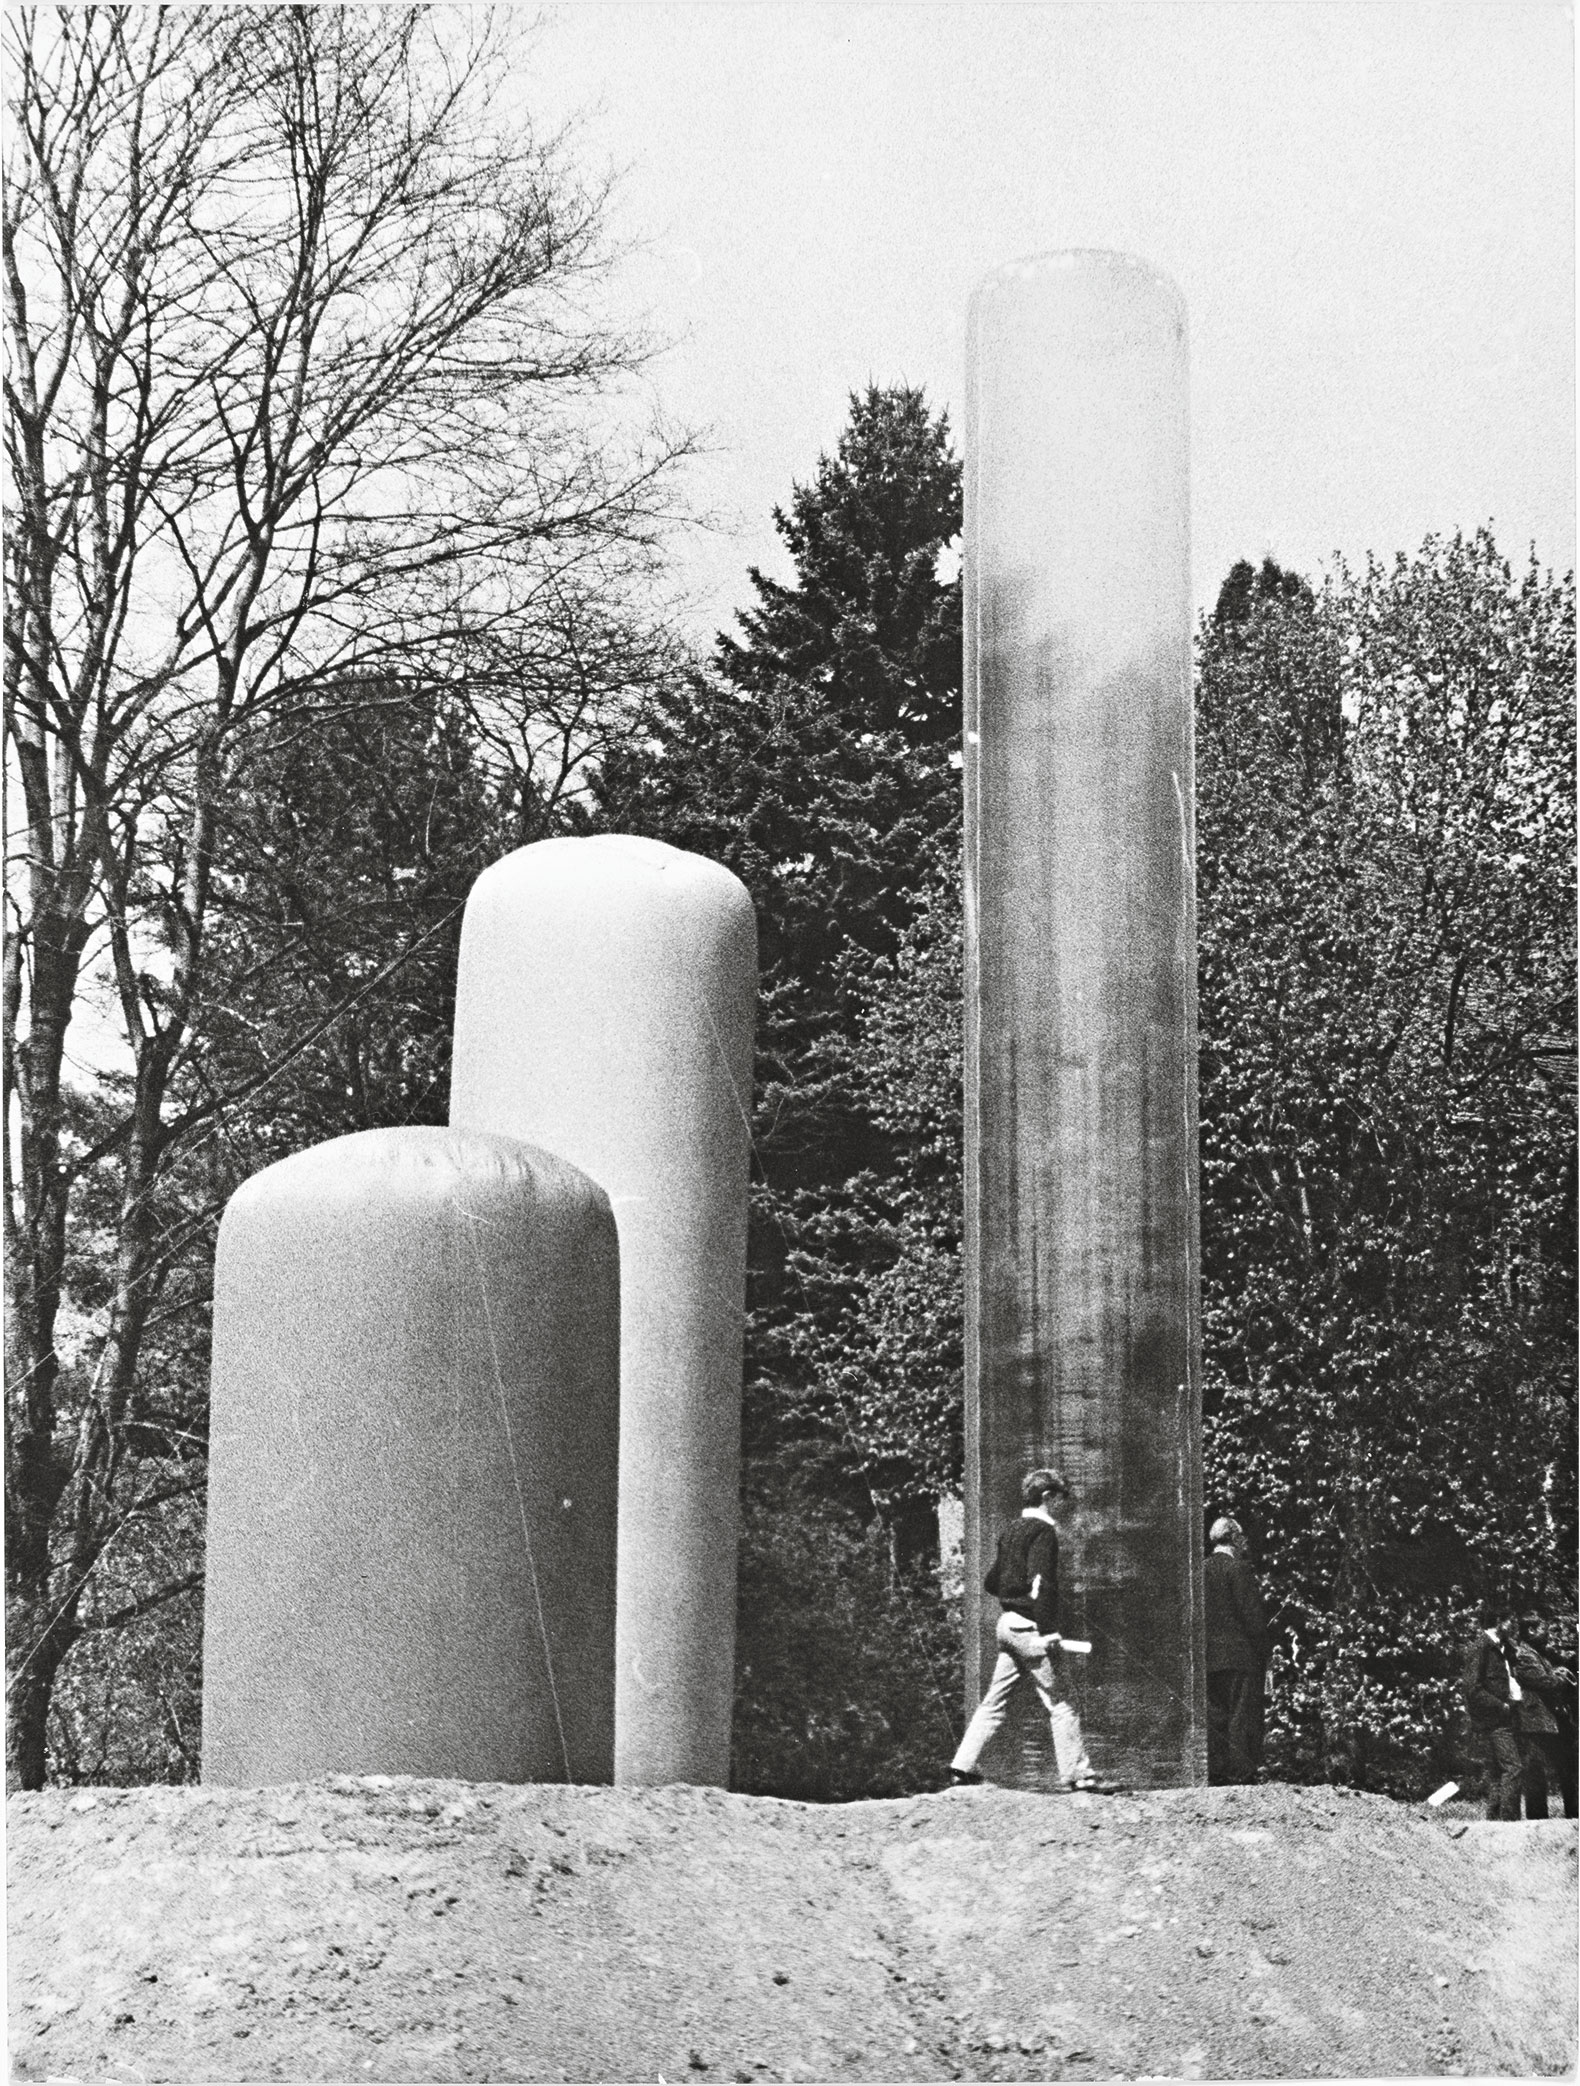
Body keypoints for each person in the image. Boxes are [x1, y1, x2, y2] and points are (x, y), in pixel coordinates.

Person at [948, 1467, 1121, 1794]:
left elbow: (991, 1582)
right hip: (1031, 1628)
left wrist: (1013, 1598)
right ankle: (1079, 1775)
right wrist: (1048, 1629)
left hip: (1007, 1626)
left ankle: (962, 1766)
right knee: (1062, 1702)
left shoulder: (1011, 1530)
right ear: (1047, 1498)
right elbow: (1041, 1584)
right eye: (1061, 1499)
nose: (1064, 1506)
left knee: (993, 1703)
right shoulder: (1043, 1531)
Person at [1203, 1515, 1271, 1784]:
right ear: (1234, 1539)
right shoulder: (1238, 1570)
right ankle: (1242, 1773)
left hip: (1208, 1656)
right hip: (1240, 1656)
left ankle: (1216, 1773)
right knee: (1241, 1716)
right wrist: (1264, 1652)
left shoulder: (1199, 1570)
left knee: (1215, 1716)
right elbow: (1252, 1617)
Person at [1512, 1611, 1578, 1820]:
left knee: (1568, 1767)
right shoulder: (1524, 1655)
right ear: (1531, 1630)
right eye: (1544, 1630)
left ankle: (1573, 1816)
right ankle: (1538, 1821)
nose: (1548, 1635)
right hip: (1535, 1722)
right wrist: (1560, 1677)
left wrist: (1557, 1671)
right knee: (1536, 1772)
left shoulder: (1535, 1652)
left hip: (1548, 1720)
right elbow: (1544, 1682)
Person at [1462, 1608, 1525, 1820]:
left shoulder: (1504, 1648)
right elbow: (1472, 1688)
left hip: (1506, 1717)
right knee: (1513, 1767)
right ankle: (1510, 1822)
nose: (1515, 1627)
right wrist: (1501, 1706)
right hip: (1494, 1720)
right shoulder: (1481, 1647)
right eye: (1511, 1622)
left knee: (1498, 1773)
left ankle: (1494, 1826)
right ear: (1498, 1621)